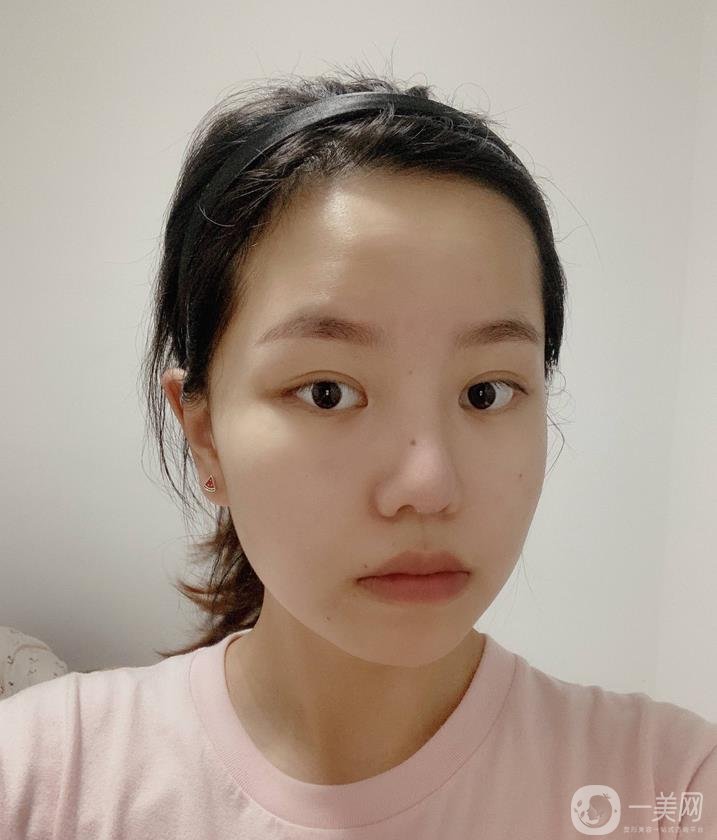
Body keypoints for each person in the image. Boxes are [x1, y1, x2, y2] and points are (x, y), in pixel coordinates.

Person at [1, 67, 715, 839]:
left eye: (485, 392)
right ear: (204, 434)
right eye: (327, 392)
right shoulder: (43, 776)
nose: (427, 485)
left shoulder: (665, 785)